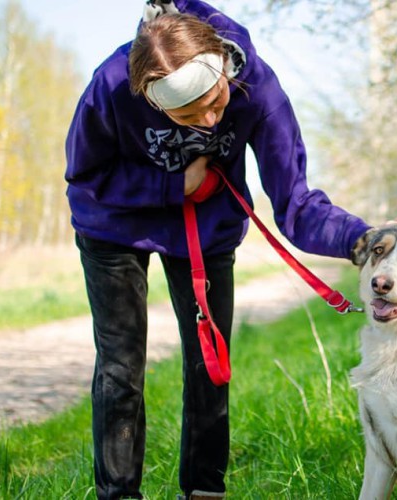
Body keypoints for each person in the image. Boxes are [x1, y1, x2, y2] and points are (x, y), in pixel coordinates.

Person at [64, 1, 370, 498]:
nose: (209, 122)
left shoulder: (259, 89)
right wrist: (173, 186)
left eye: (216, 101)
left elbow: (296, 203)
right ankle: (118, 494)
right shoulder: (111, 85)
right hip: (113, 226)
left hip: (206, 230)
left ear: (224, 66)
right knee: (121, 367)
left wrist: (363, 241)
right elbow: (85, 178)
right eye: (188, 115)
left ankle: (204, 492)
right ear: (149, 98)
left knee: (209, 363)